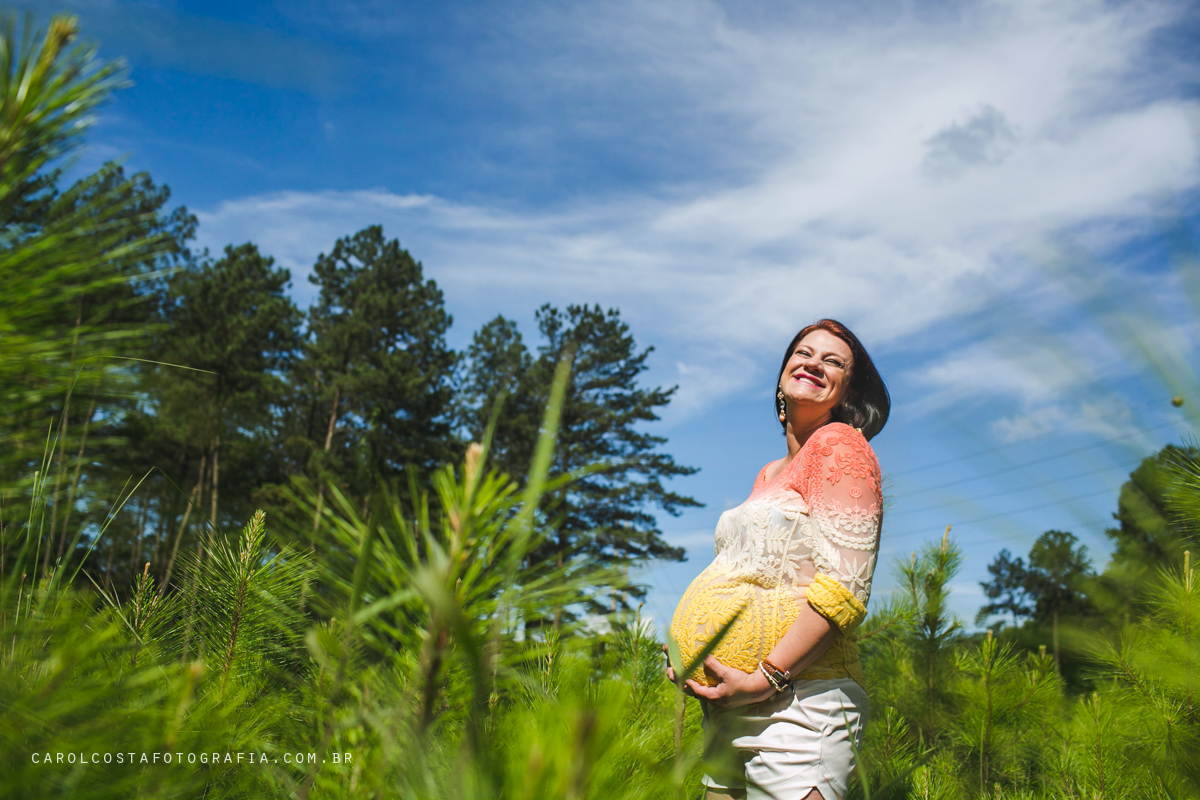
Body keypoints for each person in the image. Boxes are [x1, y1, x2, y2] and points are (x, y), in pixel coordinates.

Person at [666, 319, 889, 800]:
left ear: (848, 394)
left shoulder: (839, 444)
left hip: (799, 706)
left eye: (833, 361)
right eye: (803, 353)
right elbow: (748, 573)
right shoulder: (769, 472)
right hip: (728, 711)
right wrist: (692, 649)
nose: (814, 363)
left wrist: (765, 678)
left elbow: (845, 587)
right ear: (783, 374)